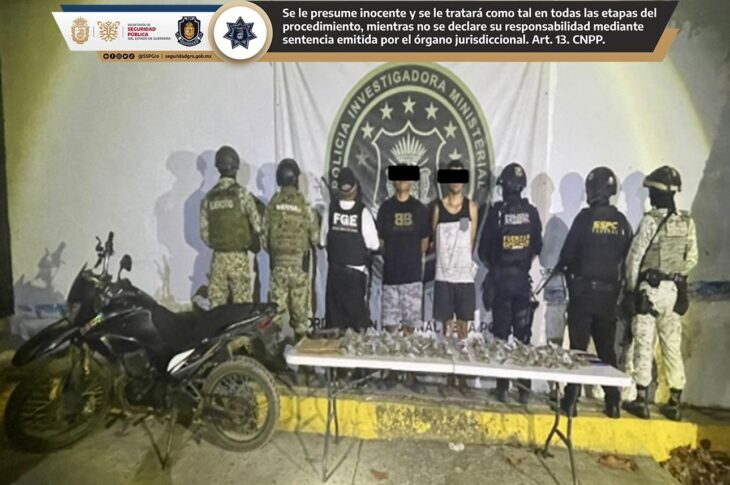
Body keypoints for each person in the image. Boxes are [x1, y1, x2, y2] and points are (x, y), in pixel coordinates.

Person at [556, 167, 632, 418]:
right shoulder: (621, 221)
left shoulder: (584, 219)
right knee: (606, 350)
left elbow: (567, 255)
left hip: (583, 295)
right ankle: (613, 402)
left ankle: (571, 401)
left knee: (578, 349)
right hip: (608, 297)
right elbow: (628, 256)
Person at [623, 166, 698, 421]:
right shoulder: (687, 222)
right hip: (674, 291)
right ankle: (675, 401)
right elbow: (692, 259)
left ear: (658, 193)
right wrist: (678, 279)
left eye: (651, 192)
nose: (650, 197)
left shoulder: (651, 221)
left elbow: (634, 258)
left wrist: (631, 290)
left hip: (650, 290)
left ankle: (641, 399)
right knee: (672, 345)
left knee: (644, 342)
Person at [478, 163, 542, 403]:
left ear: (504, 187)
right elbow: (537, 246)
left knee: (501, 337)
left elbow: (483, 251)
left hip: (502, 282)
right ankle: (524, 390)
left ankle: (502, 388)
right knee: (523, 337)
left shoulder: (497, 212)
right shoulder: (531, 213)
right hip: (522, 283)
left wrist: (498, 266)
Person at [264, 158, 320, 340]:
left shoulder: (273, 203)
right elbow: (315, 237)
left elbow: (264, 238)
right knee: (301, 321)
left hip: (278, 267)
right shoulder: (303, 204)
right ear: (295, 178)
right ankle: (302, 354)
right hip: (298, 268)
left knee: (274, 318)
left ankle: (273, 354)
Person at [200, 146, 262, 307]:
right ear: (236, 167)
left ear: (217, 167)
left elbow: (205, 236)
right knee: (242, 308)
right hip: (238, 258)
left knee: (217, 308)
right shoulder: (243, 194)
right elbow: (258, 226)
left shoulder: (209, 197)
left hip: (217, 259)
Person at [321, 167, 379, 331]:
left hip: (335, 274)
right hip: (356, 275)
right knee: (357, 327)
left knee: (334, 326)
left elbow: (322, 241)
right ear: (355, 188)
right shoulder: (363, 212)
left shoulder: (330, 210)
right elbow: (374, 245)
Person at [377, 164, 431, 334]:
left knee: (410, 329)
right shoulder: (385, 208)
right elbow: (381, 242)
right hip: (390, 277)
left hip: (412, 278)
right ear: (393, 181)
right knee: (390, 329)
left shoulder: (420, 209)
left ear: (412, 181)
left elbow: (424, 243)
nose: (402, 180)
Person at [432, 160, 478, 339]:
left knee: (463, 331)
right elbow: (434, 241)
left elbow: (471, 241)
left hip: (464, 277)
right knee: (446, 331)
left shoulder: (471, 207)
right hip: (443, 277)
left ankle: (463, 356)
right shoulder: (438, 208)